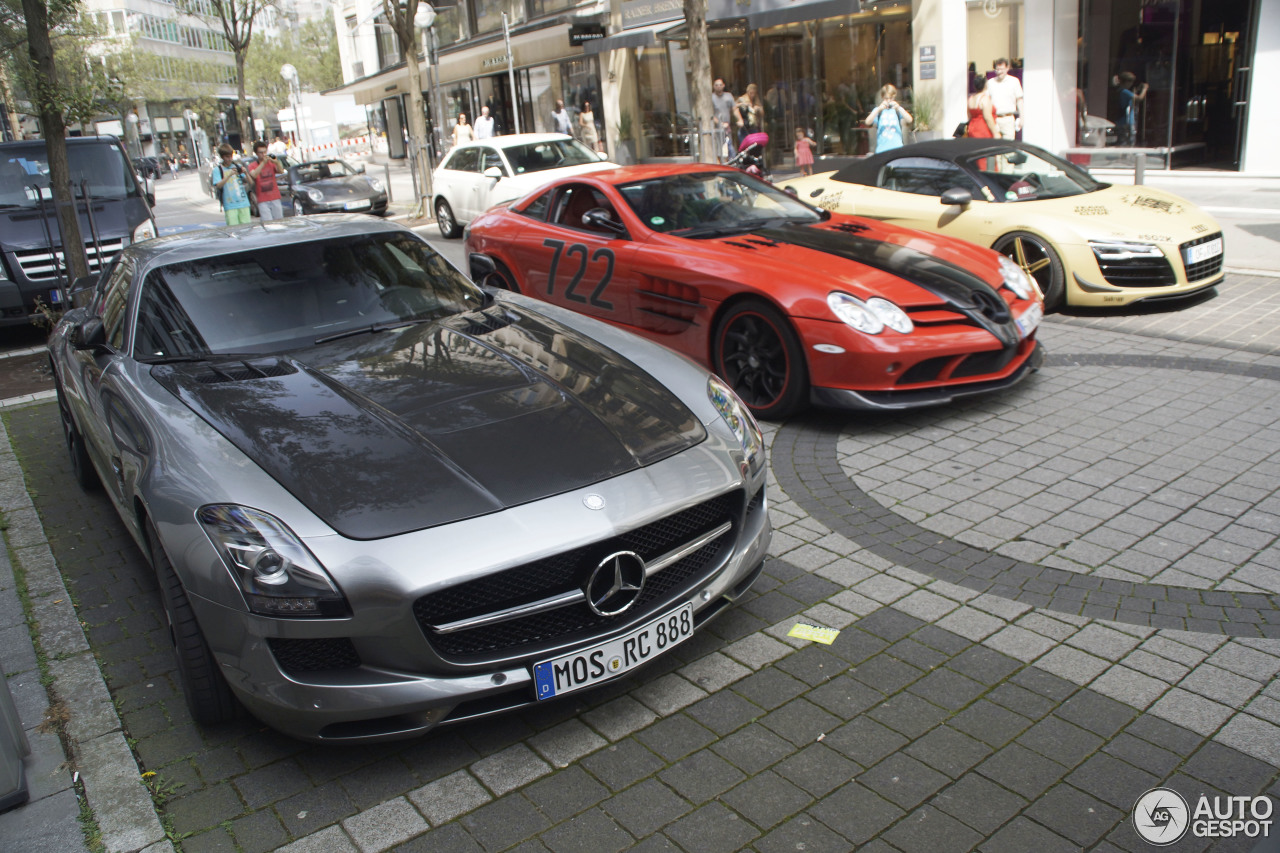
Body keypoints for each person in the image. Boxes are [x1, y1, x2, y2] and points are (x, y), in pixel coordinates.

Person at [211, 143, 251, 226]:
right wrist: (229, 175)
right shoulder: (218, 170)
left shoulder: (237, 166)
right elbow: (218, 185)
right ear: (222, 157)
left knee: (247, 229)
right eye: (227, 157)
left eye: (230, 156)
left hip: (243, 203)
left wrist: (246, 173)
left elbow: (251, 182)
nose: (229, 159)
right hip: (230, 205)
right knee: (234, 229)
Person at [983, 58, 1024, 140]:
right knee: (994, 148)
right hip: (994, 119)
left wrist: (1022, 117)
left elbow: (1019, 100)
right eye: (997, 69)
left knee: (1008, 147)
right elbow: (986, 101)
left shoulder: (1014, 81)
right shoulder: (990, 82)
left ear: (1007, 68)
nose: (999, 71)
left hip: (1008, 119)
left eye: (1001, 69)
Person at [864, 84, 912, 153]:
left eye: (891, 98)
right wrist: (878, 109)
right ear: (882, 97)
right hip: (882, 149)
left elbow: (909, 119)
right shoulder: (878, 110)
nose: (889, 101)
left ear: (894, 97)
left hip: (897, 148)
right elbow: (867, 122)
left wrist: (899, 108)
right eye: (886, 98)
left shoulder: (897, 110)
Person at [248, 140, 284, 221]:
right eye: (261, 152)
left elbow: (281, 171)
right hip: (262, 199)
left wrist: (276, 162)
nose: (263, 154)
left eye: (265, 152)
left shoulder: (271, 163)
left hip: (275, 197)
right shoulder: (252, 165)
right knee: (267, 222)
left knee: (279, 221)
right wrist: (263, 163)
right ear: (256, 153)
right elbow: (254, 175)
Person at [1116, 71, 1148, 147]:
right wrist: (1144, 89)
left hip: (1122, 121)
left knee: (1124, 140)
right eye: (1130, 82)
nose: (1131, 84)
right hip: (1126, 121)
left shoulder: (1120, 91)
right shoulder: (1124, 91)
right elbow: (1139, 98)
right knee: (1127, 142)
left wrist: (1138, 89)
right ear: (1126, 82)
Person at [711, 78, 736, 161]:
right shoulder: (711, 98)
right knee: (719, 149)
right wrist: (719, 123)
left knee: (729, 148)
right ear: (713, 86)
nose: (718, 86)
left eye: (720, 85)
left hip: (727, 128)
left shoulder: (728, 96)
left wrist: (739, 119)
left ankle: (728, 165)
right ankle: (721, 165)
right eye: (716, 85)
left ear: (724, 85)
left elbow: (734, 109)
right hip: (716, 129)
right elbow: (710, 114)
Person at [967, 73, 997, 139]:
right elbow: (988, 117)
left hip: (972, 128)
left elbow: (969, 115)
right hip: (983, 129)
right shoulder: (984, 99)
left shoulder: (971, 99)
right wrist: (995, 133)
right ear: (985, 85)